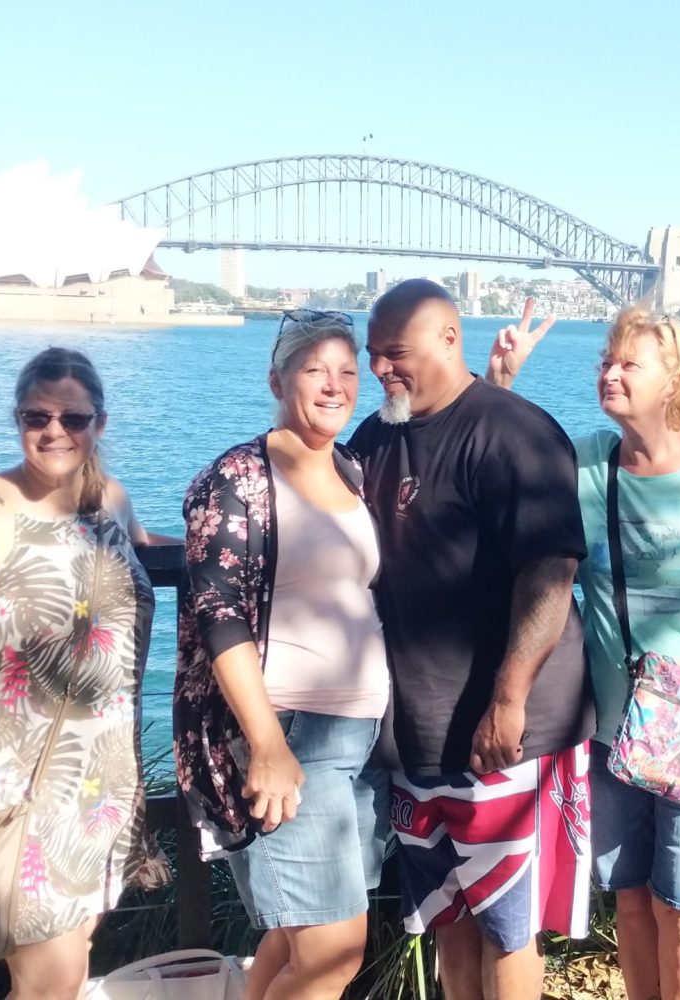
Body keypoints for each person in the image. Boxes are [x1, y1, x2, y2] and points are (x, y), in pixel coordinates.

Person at [488, 305, 680, 1000]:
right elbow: (496, 466)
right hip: (612, 729)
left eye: (628, 364)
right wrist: (500, 382)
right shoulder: (586, 463)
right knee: (629, 897)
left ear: (672, 380)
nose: (609, 374)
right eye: (604, 362)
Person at [0, 347, 171, 1000]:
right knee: (50, 982)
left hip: (100, 780)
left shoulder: (110, 502)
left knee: (65, 965)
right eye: (35, 416)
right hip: (9, 781)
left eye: (72, 418)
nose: (54, 431)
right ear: (16, 419)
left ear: (99, 423)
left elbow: (144, 552)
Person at [349, 279, 593, 1000]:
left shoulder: (515, 431)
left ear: (448, 340)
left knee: (506, 926)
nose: (379, 370)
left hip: (508, 731)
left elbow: (549, 574)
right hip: (417, 733)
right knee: (447, 917)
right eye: (372, 355)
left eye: (394, 353)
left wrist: (508, 698)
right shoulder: (375, 437)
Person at [175, 310, 391, 1000]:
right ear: (276, 378)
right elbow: (219, 614)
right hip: (289, 733)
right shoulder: (238, 476)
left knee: (293, 937)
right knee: (332, 952)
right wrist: (267, 744)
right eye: (314, 370)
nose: (333, 385)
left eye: (346, 372)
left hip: (354, 740)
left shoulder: (350, 470)